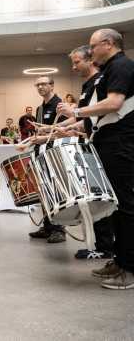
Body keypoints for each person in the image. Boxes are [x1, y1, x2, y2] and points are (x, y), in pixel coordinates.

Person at [58, 29, 134, 290]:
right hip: (109, 142)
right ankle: (119, 260)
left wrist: (75, 110)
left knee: (125, 207)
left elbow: (114, 104)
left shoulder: (121, 66)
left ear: (108, 44)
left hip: (121, 145)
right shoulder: (111, 69)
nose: (90, 52)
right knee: (116, 206)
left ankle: (129, 268)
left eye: (93, 47)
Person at [54, 46, 113, 260]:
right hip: (93, 143)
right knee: (95, 195)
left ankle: (106, 246)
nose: (74, 66)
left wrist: (75, 119)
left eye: (77, 61)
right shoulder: (88, 84)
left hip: (107, 145)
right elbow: (85, 119)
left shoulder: (101, 81)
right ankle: (101, 244)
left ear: (90, 60)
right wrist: (67, 127)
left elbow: (96, 113)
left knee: (102, 196)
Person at [28, 75, 67, 243]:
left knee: (56, 191)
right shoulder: (40, 109)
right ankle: (48, 226)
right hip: (41, 152)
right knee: (44, 190)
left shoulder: (60, 106)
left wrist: (44, 139)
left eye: (44, 84)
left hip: (55, 153)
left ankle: (59, 229)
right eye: (37, 85)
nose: (40, 87)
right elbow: (42, 132)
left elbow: (64, 133)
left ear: (52, 85)